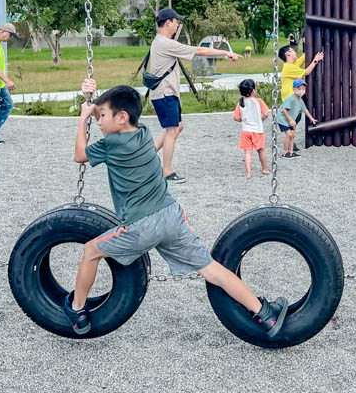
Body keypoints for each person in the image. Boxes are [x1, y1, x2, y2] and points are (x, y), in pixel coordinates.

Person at [68, 81, 288, 338]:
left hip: (142, 226)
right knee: (211, 269)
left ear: (121, 117)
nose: (99, 120)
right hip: (172, 216)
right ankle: (265, 315)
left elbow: (79, 154)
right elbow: (111, 120)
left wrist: (83, 116)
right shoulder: (142, 133)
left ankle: (78, 311)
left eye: (102, 116)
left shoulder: (111, 145)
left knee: (90, 251)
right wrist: (92, 101)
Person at [148, 8, 240, 184]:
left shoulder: (160, 42)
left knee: (177, 127)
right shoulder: (165, 43)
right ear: (168, 22)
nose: (177, 25)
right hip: (164, 93)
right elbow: (199, 51)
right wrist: (225, 52)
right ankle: (166, 171)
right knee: (172, 130)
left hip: (167, 92)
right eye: (176, 22)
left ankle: (148, 157)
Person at [233, 79, 270, 179]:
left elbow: (236, 117)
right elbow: (266, 114)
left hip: (246, 130)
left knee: (247, 152)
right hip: (257, 130)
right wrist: (261, 119)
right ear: (254, 91)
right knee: (261, 150)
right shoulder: (258, 101)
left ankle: (248, 173)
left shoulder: (241, 103)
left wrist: (243, 120)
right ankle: (264, 169)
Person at [277, 79, 318, 159]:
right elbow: (284, 110)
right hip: (283, 119)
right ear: (294, 89)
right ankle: (285, 153)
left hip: (291, 120)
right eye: (299, 88)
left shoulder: (300, 100)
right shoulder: (291, 99)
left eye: (303, 89)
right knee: (289, 134)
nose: (301, 90)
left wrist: (311, 118)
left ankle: (291, 152)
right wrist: (290, 120)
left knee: (293, 135)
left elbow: (305, 110)